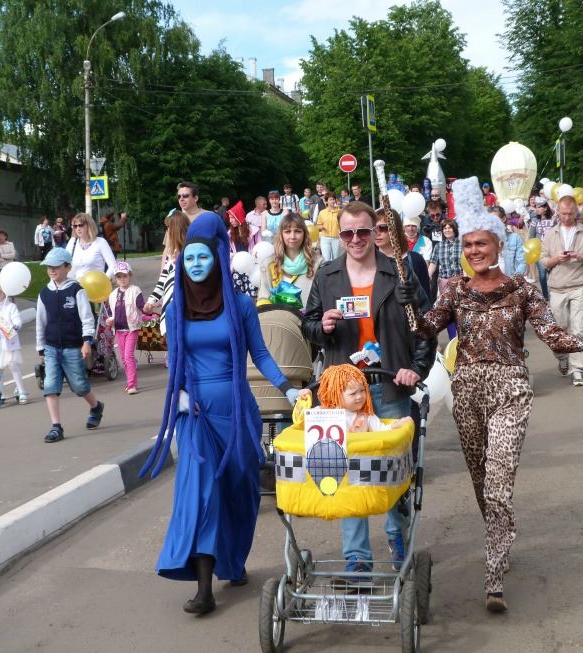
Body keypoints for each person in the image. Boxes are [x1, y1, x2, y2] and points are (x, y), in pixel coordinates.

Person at [396, 176, 583, 613]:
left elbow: (552, 335)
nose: (473, 251)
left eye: (481, 243)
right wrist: (410, 301)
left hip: (510, 390)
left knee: (498, 488)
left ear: (498, 243)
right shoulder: (454, 290)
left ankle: (493, 580)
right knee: (480, 483)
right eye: (467, 244)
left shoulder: (524, 290)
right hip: (466, 391)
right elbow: (424, 329)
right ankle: (501, 538)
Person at [139, 213, 300, 615]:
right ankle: (204, 588)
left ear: (216, 258)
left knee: (240, 490)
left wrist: (288, 388)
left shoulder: (242, 305)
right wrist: (179, 397)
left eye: (202, 257)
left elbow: (260, 354)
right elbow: (174, 361)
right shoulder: (175, 310)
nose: (195, 264)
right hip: (195, 415)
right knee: (200, 493)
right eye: (188, 258)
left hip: (235, 409)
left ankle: (234, 559)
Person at [302, 200, 435, 578]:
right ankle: (357, 558)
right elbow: (308, 327)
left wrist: (416, 369)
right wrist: (321, 326)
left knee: (391, 473)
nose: (357, 239)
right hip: (343, 391)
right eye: (348, 233)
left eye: (364, 231)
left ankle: (397, 539)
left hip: (389, 385)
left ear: (376, 232)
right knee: (347, 475)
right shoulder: (327, 276)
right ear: (339, 235)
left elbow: (426, 327)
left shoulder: (400, 273)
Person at [35, 247, 105, 443]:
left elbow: (87, 318)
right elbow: (40, 322)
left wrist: (87, 341)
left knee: (79, 386)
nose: (52, 270)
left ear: (67, 267)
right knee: (50, 385)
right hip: (51, 347)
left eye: (56, 266)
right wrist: (40, 347)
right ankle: (56, 427)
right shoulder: (44, 293)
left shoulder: (76, 290)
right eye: (49, 267)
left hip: (73, 346)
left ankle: (96, 406)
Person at [540, 194, 583, 386]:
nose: (566, 217)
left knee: (578, 329)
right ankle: (563, 357)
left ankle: (577, 370)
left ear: (576, 212)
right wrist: (556, 259)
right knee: (559, 328)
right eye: (563, 213)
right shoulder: (550, 234)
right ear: (558, 212)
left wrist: (580, 256)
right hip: (557, 288)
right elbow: (543, 260)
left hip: (579, 286)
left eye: (570, 213)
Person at [299, 364, 413, 432]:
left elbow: (382, 430)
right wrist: (304, 399)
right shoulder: (323, 412)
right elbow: (301, 420)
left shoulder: (367, 416)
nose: (359, 396)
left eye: (362, 391)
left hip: (359, 465)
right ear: (336, 395)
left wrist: (396, 425)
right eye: (353, 394)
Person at [258, 212, 318, 308]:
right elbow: (263, 298)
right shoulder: (269, 264)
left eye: (298, 231)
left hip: (309, 320)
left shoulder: (317, 263)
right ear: (281, 234)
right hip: (279, 320)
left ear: (304, 234)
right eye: (287, 231)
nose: (292, 236)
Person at [146, 211, 190, 337]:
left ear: (176, 228)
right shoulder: (171, 254)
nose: (167, 231)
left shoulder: (191, 252)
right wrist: (150, 301)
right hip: (170, 310)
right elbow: (162, 281)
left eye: (169, 227)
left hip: (188, 310)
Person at [376, 207, 429, 300]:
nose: (377, 233)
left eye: (383, 228)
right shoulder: (368, 262)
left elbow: (426, 299)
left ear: (395, 228)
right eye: (374, 228)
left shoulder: (414, 260)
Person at [107, 261, 144, 395]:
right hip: (119, 330)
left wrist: (147, 311)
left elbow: (141, 306)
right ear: (116, 279)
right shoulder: (112, 295)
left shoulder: (135, 290)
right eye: (119, 276)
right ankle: (131, 377)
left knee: (128, 356)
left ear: (130, 276)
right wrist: (110, 320)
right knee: (124, 358)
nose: (122, 279)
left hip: (132, 329)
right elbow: (111, 312)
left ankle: (132, 384)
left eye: (125, 276)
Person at [66, 213, 116, 281]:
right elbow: (65, 263)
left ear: (89, 225)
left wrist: (104, 281)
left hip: (95, 287)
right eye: (75, 226)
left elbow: (113, 265)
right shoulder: (72, 242)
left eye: (81, 225)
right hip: (76, 287)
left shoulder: (101, 242)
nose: (78, 228)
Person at [227, 200, 261, 298]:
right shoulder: (230, 234)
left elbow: (259, 248)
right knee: (237, 295)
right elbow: (229, 251)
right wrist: (233, 256)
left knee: (252, 295)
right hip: (236, 268)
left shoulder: (254, 231)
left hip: (251, 268)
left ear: (238, 216)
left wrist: (254, 257)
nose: (230, 221)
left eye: (232, 218)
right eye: (229, 218)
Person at [490, 205, 526, 276]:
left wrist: (514, 281)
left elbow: (521, 263)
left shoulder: (515, 238)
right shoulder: (484, 241)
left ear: (503, 219)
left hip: (510, 281)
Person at [529, 198, 555, 297]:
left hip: (552, 249)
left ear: (545, 208)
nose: (537, 209)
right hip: (539, 250)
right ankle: (545, 295)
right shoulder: (534, 221)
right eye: (536, 207)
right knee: (542, 274)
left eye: (540, 207)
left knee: (554, 272)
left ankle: (555, 291)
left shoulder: (553, 220)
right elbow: (531, 236)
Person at [316, 191, 342, 262]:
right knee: (326, 259)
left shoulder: (340, 212)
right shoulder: (322, 212)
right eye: (330, 199)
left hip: (336, 238)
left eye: (333, 199)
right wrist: (322, 227)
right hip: (325, 238)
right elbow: (318, 225)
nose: (332, 201)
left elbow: (343, 225)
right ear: (326, 201)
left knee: (336, 258)